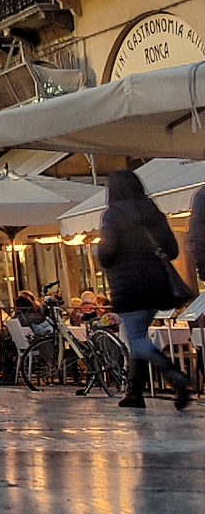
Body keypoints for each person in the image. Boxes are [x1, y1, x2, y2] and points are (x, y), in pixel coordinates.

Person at [98, 168, 194, 410]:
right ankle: (134, 394)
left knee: (137, 339)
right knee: (138, 337)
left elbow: (107, 253)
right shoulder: (153, 211)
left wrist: (102, 253)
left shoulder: (113, 215)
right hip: (157, 285)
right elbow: (172, 250)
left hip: (129, 287)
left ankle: (175, 375)